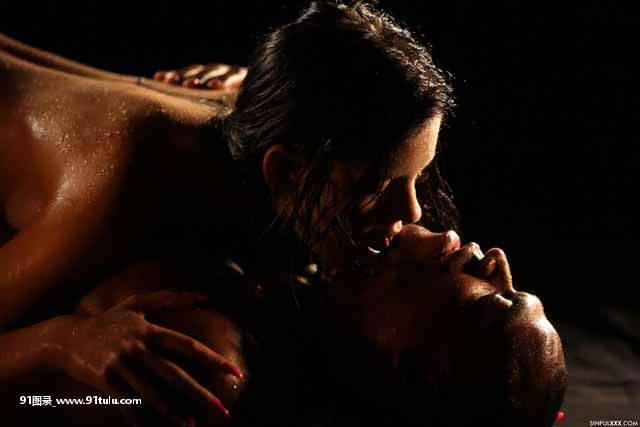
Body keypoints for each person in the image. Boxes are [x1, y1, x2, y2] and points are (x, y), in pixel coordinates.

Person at [0, 1, 567, 426]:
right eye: (382, 185)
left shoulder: (207, 358)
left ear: (415, 370)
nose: (493, 257)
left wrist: (55, 347)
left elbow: (44, 402)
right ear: (287, 169)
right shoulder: (145, 177)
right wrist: (53, 342)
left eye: (499, 301)